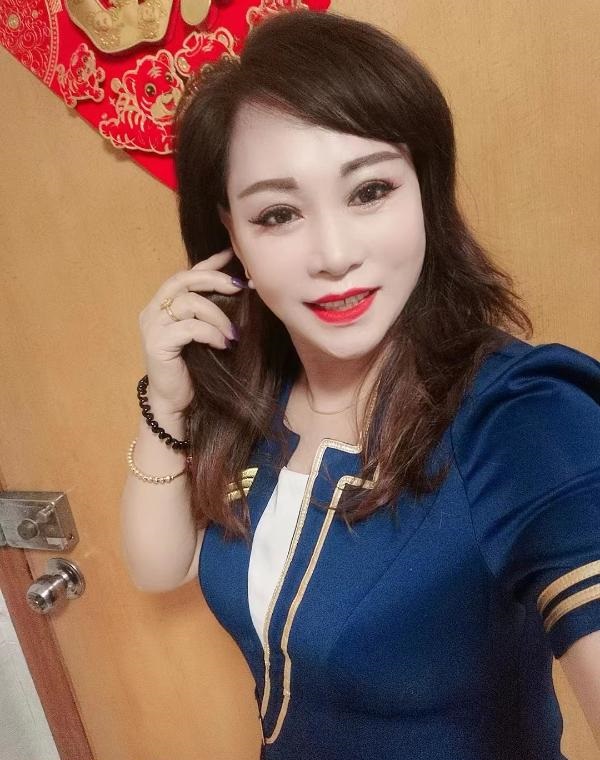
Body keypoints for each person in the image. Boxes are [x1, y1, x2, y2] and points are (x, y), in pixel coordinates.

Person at [120, 9, 600, 759]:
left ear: (426, 191)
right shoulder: (254, 395)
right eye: (278, 214)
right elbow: (160, 568)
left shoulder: (520, 415)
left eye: (370, 190)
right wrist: (168, 401)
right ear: (231, 233)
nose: (335, 253)